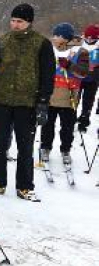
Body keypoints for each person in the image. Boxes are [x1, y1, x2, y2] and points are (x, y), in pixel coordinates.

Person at [0, 3, 55, 201]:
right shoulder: (2, 42)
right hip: (1, 101)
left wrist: (43, 103)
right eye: (13, 20)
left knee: (25, 147)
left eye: (19, 21)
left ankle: (25, 187)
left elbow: (48, 75)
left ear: (29, 22)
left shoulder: (42, 44)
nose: (15, 24)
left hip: (27, 103)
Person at [39, 23, 90, 166]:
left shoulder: (81, 51)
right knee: (47, 124)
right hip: (51, 94)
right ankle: (45, 147)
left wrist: (68, 65)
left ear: (66, 38)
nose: (55, 38)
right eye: (54, 35)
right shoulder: (49, 49)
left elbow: (83, 73)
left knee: (67, 126)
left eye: (58, 36)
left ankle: (65, 150)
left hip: (69, 96)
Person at [77, 24, 99, 132]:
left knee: (88, 101)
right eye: (87, 37)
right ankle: (71, 118)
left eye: (92, 38)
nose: (89, 39)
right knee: (74, 100)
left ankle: (84, 120)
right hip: (78, 78)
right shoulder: (78, 45)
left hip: (93, 80)